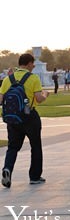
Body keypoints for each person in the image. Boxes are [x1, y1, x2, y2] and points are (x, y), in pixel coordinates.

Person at [1, 53, 49, 187]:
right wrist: (45, 94)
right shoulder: (33, 78)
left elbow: (0, 99)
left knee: (12, 147)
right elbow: (38, 98)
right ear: (28, 64)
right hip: (29, 116)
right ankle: (34, 176)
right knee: (35, 146)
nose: (34, 66)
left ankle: (7, 169)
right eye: (32, 64)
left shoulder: (7, 79)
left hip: (13, 119)